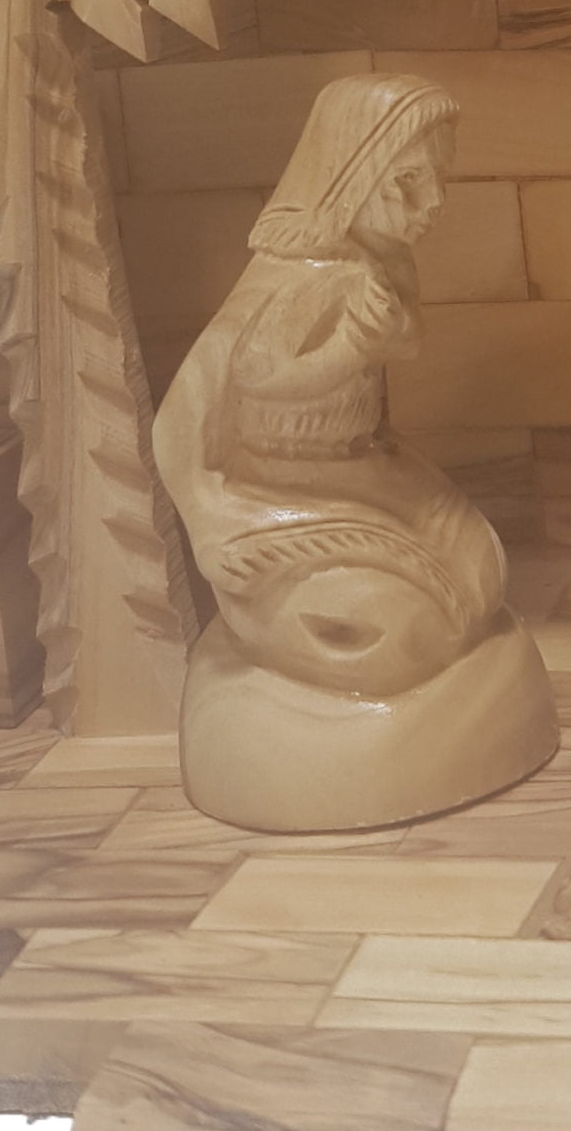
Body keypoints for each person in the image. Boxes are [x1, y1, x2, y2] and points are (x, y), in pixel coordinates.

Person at [153, 72, 505, 701]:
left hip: (357, 463)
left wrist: (381, 333)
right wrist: (208, 523)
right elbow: (232, 387)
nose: (433, 202)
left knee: (483, 570)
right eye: (408, 181)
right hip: (275, 483)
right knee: (398, 625)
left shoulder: (384, 261)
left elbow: (406, 340)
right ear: (349, 177)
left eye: (439, 178)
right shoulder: (298, 278)